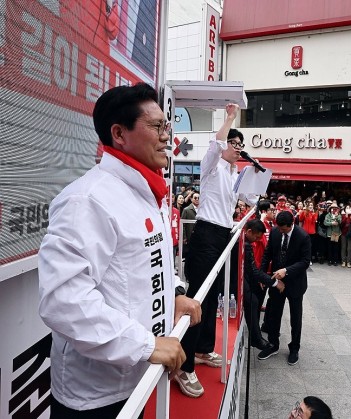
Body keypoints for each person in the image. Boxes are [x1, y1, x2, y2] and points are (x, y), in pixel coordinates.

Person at [38, 83, 201, 417]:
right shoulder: (87, 199)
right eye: (156, 127)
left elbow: (147, 265)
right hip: (94, 397)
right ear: (119, 133)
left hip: (136, 380)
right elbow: (63, 301)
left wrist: (175, 296)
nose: (167, 136)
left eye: (166, 126)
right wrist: (146, 345)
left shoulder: (145, 192)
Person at [178, 103, 256, 397]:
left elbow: (250, 198)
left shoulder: (236, 173)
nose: (237, 148)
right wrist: (231, 117)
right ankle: (184, 367)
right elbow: (215, 144)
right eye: (234, 144)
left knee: (212, 298)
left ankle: (202, 349)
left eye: (240, 145)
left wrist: (258, 174)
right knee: (198, 298)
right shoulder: (212, 166)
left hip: (223, 234)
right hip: (206, 234)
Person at [258, 211, 311, 365]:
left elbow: (305, 261)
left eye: (284, 229)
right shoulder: (275, 231)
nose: (280, 231)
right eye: (279, 228)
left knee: (296, 317)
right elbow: (268, 253)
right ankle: (273, 344)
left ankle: (294, 348)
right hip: (276, 281)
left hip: (295, 282)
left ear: (291, 224)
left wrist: (286, 271)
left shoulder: (303, 236)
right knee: (274, 313)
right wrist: (262, 274)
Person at [242, 219, 283, 350]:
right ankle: (256, 338)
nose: (257, 240)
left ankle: (256, 337)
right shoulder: (246, 244)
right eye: (256, 237)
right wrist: (275, 282)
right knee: (252, 301)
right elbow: (253, 270)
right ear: (249, 231)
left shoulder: (246, 240)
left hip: (246, 275)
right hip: (235, 279)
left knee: (254, 301)